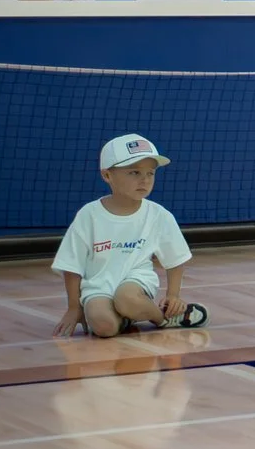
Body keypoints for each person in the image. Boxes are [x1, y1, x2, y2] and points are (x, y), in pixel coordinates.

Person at [51, 134, 202, 338]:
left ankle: (164, 319)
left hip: (136, 281)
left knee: (127, 298)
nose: (144, 179)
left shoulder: (158, 215)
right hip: (98, 286)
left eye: (150, 173)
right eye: (134, 172)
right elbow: (72, 265)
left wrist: (173, 296)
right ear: (107, 175)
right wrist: (73, 308)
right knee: (103, 327)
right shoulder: (89, 214)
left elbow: (176, 258)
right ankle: (125, 317)